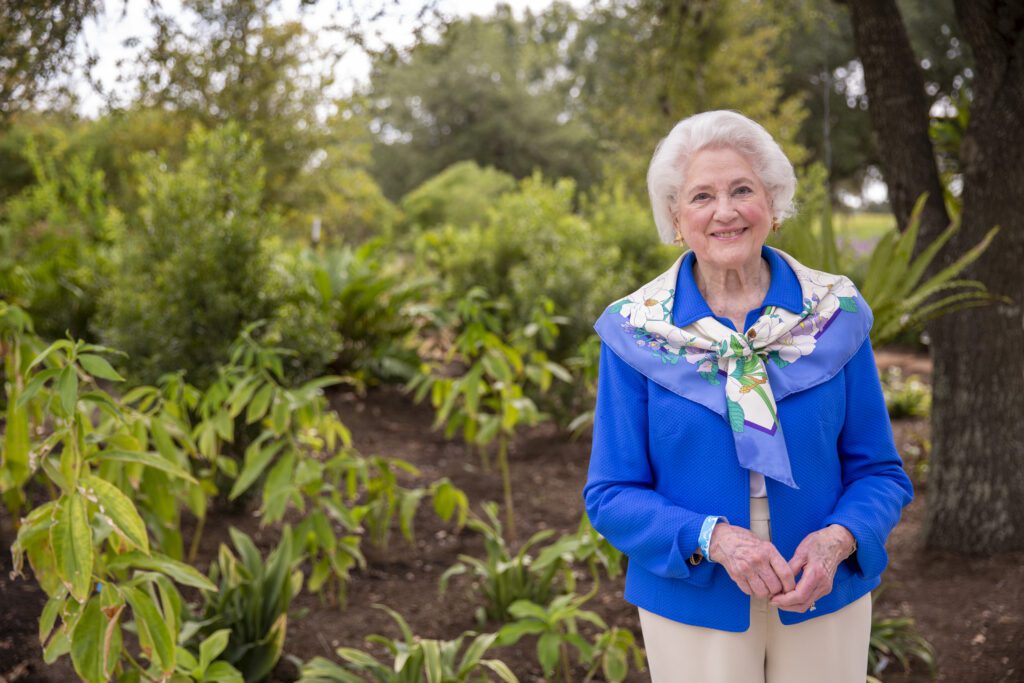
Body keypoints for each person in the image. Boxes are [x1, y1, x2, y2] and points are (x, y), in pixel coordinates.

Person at [582, 110, 914, 682]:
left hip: (821, 591)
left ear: (773, 205)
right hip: (695, 594)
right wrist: (716, 541)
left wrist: (838, 542)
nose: (726, 211)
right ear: (676, 218)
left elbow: (881, 473)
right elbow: (611, 494)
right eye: (702, 196)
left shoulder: (836, 314)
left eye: (743, 190)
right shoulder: (636, 331)